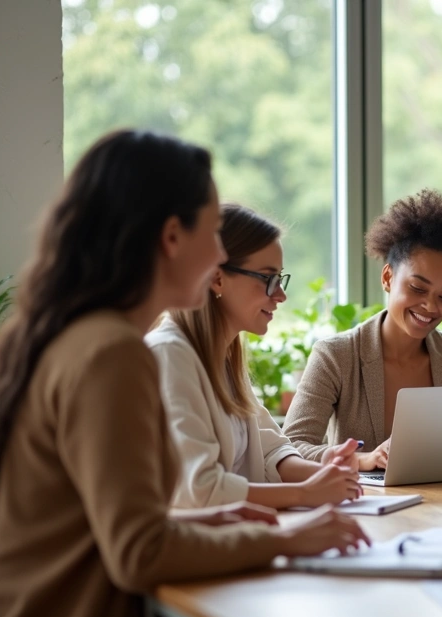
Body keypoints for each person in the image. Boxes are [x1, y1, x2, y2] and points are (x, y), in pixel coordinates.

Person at [0, 130, 369, 617]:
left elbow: (102, 531)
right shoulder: (113, 353)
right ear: (172, 237)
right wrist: (290, 539)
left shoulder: (78, 333)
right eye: (213, 232)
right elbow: (138, 554)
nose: (219, 255)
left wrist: (202, 524)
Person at [147, 204, 361, 510]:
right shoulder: (169, 355)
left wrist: (327, 477)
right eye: (267, 279)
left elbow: (272, 449)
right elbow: (200, 489)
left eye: (280, 279)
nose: (281, 295)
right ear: (217, 278)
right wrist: (304, 494)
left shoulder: (222, 356)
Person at [284, 189, 442, 469]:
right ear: (387, 277)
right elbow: (293, 445)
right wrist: (365, 459)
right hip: (364, 505)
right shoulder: (336, 356)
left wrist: (440, 449)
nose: (431, 307)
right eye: (418, 288)